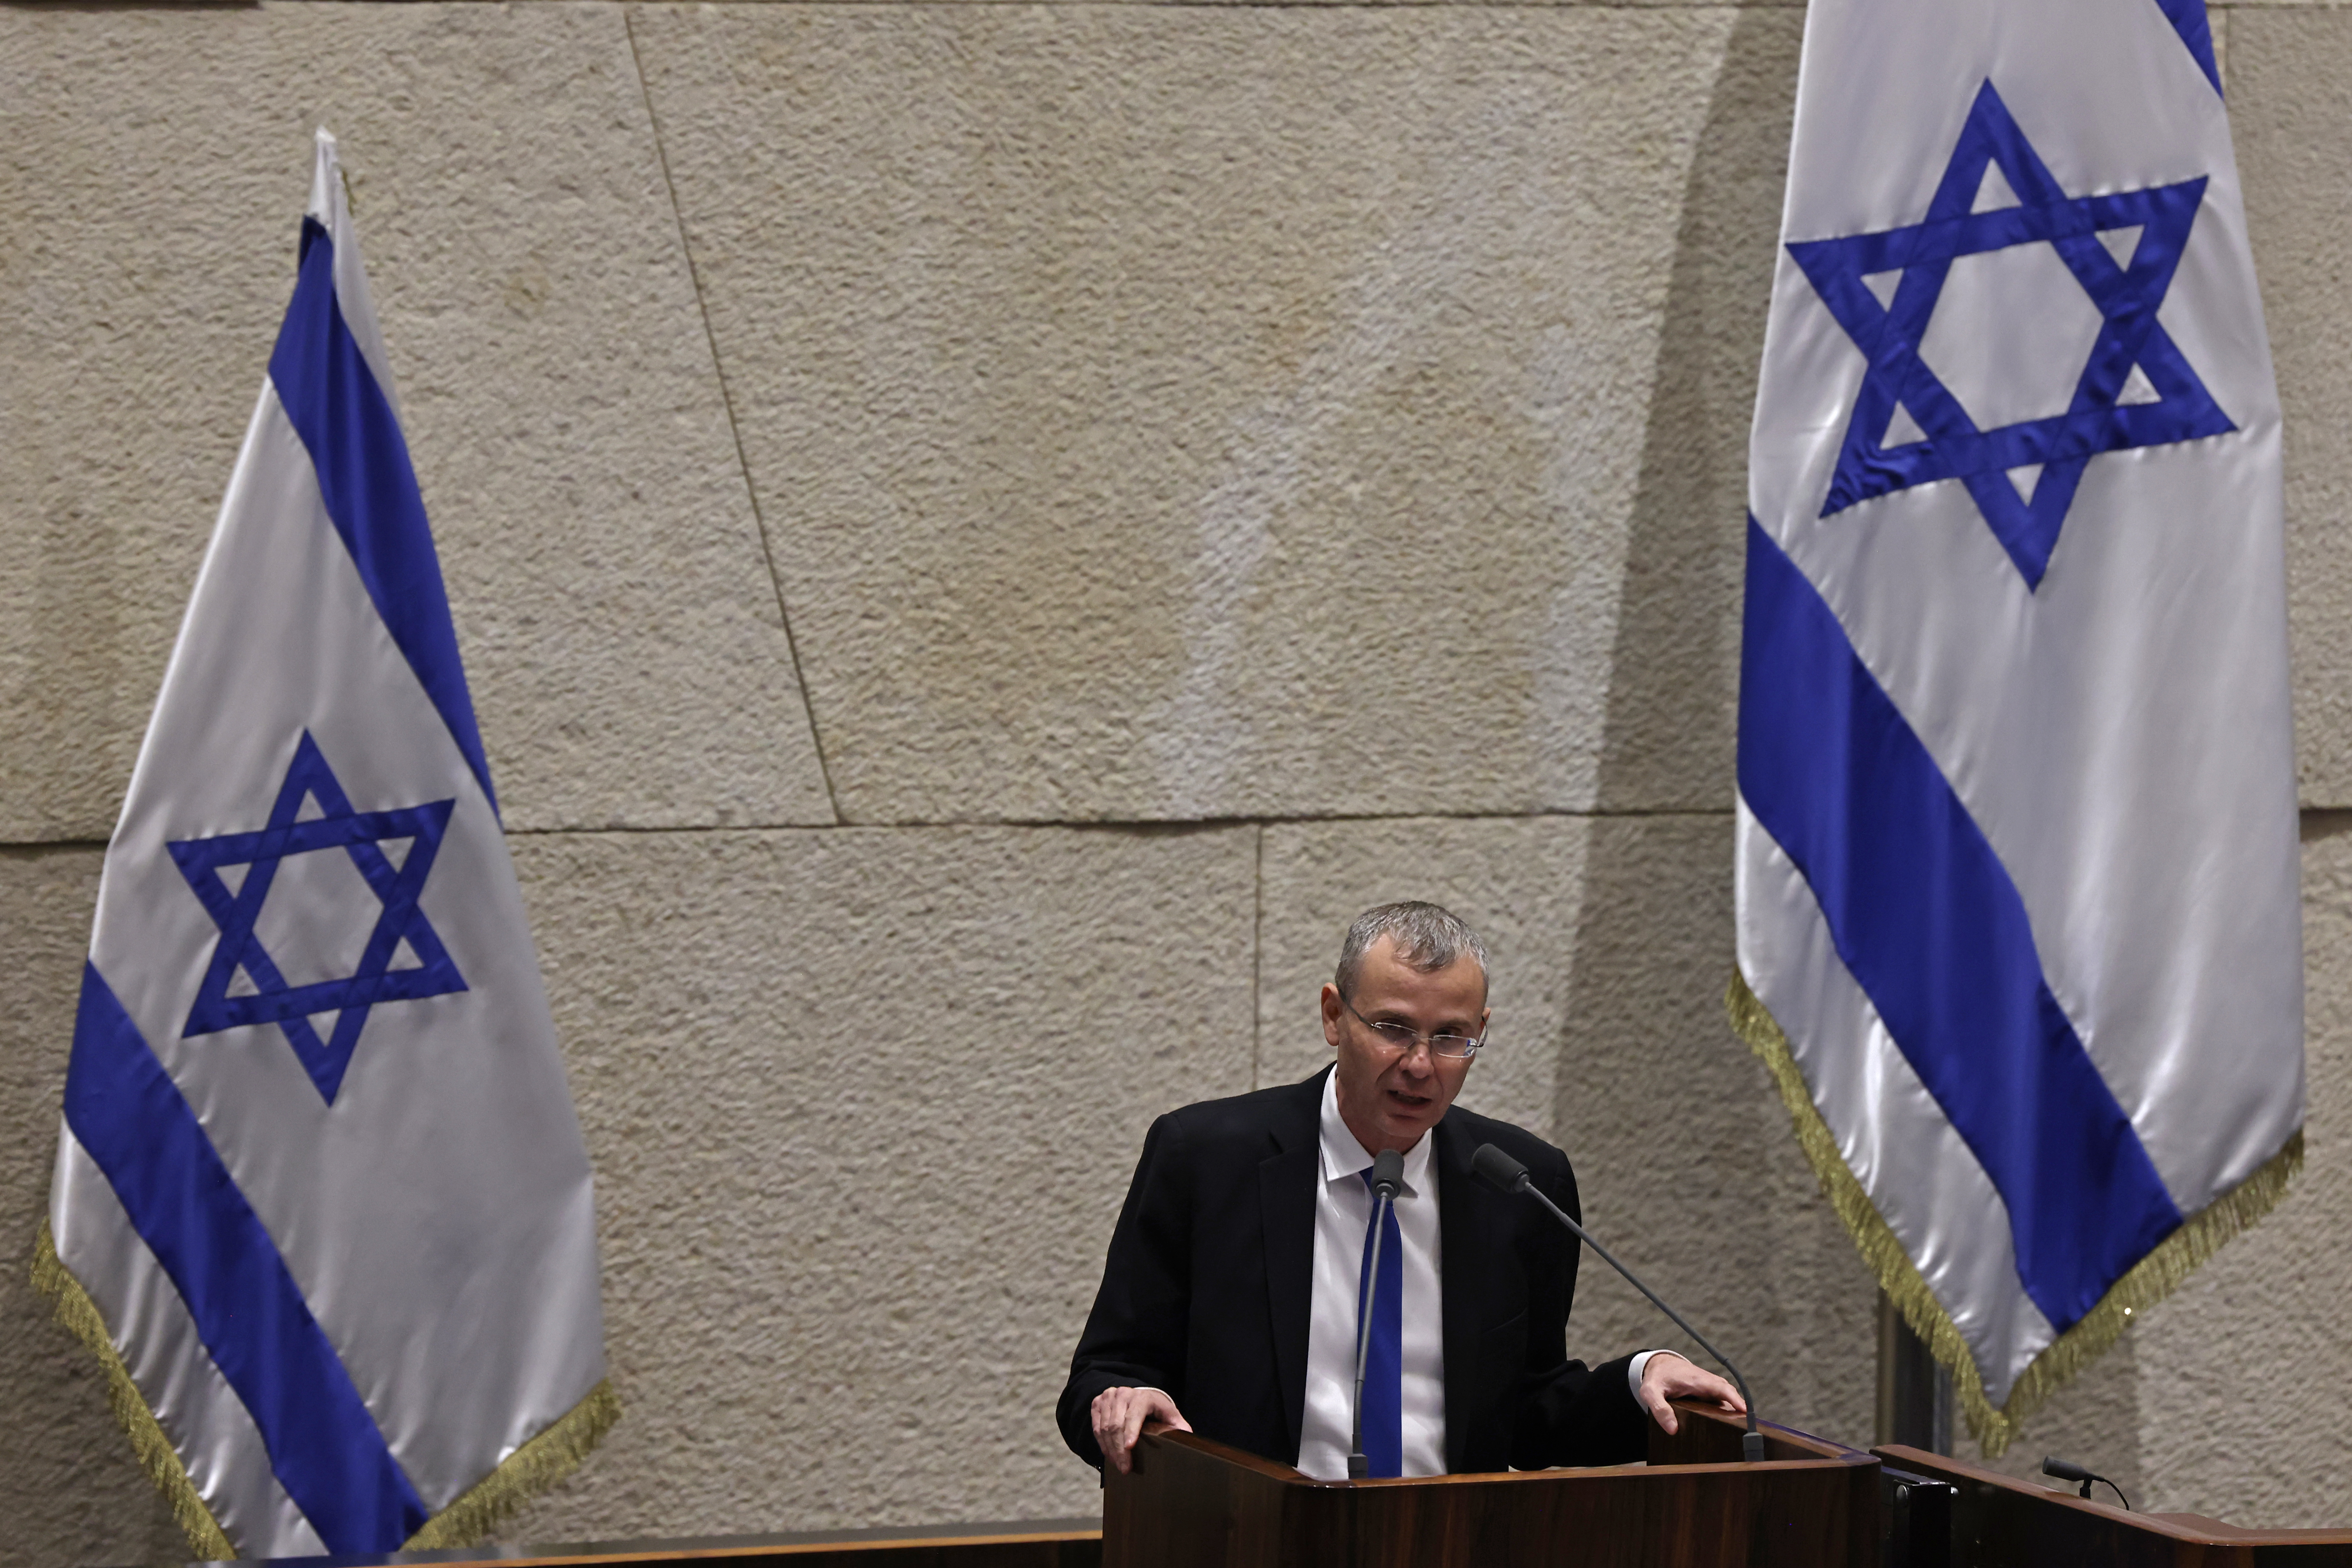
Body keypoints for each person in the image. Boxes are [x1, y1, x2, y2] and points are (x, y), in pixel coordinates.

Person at [1057, 901, 1745, 1479]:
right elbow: (1105, 1373)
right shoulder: (1206, 1161)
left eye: (1450, 1038)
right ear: (1334, 1017)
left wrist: (1639, 1380)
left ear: (1481, 1035)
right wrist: (1123, 1402)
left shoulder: (1520, 1182)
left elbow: (1527, 1414)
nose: (1420, 1066)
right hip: (1252, 1536)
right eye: (1392, 1029)